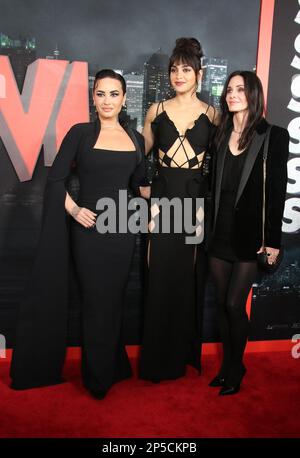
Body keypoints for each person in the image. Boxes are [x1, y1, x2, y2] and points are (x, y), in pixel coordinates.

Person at [10, 69, 148, 399]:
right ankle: (97, 378)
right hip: (88, 233)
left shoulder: (136, 139)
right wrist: (74, 210)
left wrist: (177, 194)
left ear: (124, 98)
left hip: (122, 231)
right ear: (93, 97)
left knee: (112, 301)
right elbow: (55, 180)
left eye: (114, 94)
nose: (107, 100)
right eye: (101, 93)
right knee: (96, 301)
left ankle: (113, 365)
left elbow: (140, 187)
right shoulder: (80, 134)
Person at [139, 38, 216, 382]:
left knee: (187, 280)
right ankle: (157, 361)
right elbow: (136, 155)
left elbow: (224, 161)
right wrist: (143, 190)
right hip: (162, 201)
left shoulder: (213, 114)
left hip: (195, 204)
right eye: (174, 69)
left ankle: (181, 355)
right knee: (158, 277)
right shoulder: (155, 111)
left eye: (186, 69)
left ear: (199, 73)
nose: (179, 75)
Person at [208, 70, 289, 395]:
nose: (232, 94)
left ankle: (236, 367)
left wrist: (273, 242)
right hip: (218, 232)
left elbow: (278, 192)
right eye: (229, 89)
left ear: (253, 95)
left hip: (250, 238)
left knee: (232, 304)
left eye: (240, 89)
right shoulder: (220, 134)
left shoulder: (273, 136)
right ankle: (228, 366)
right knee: (221, 304)